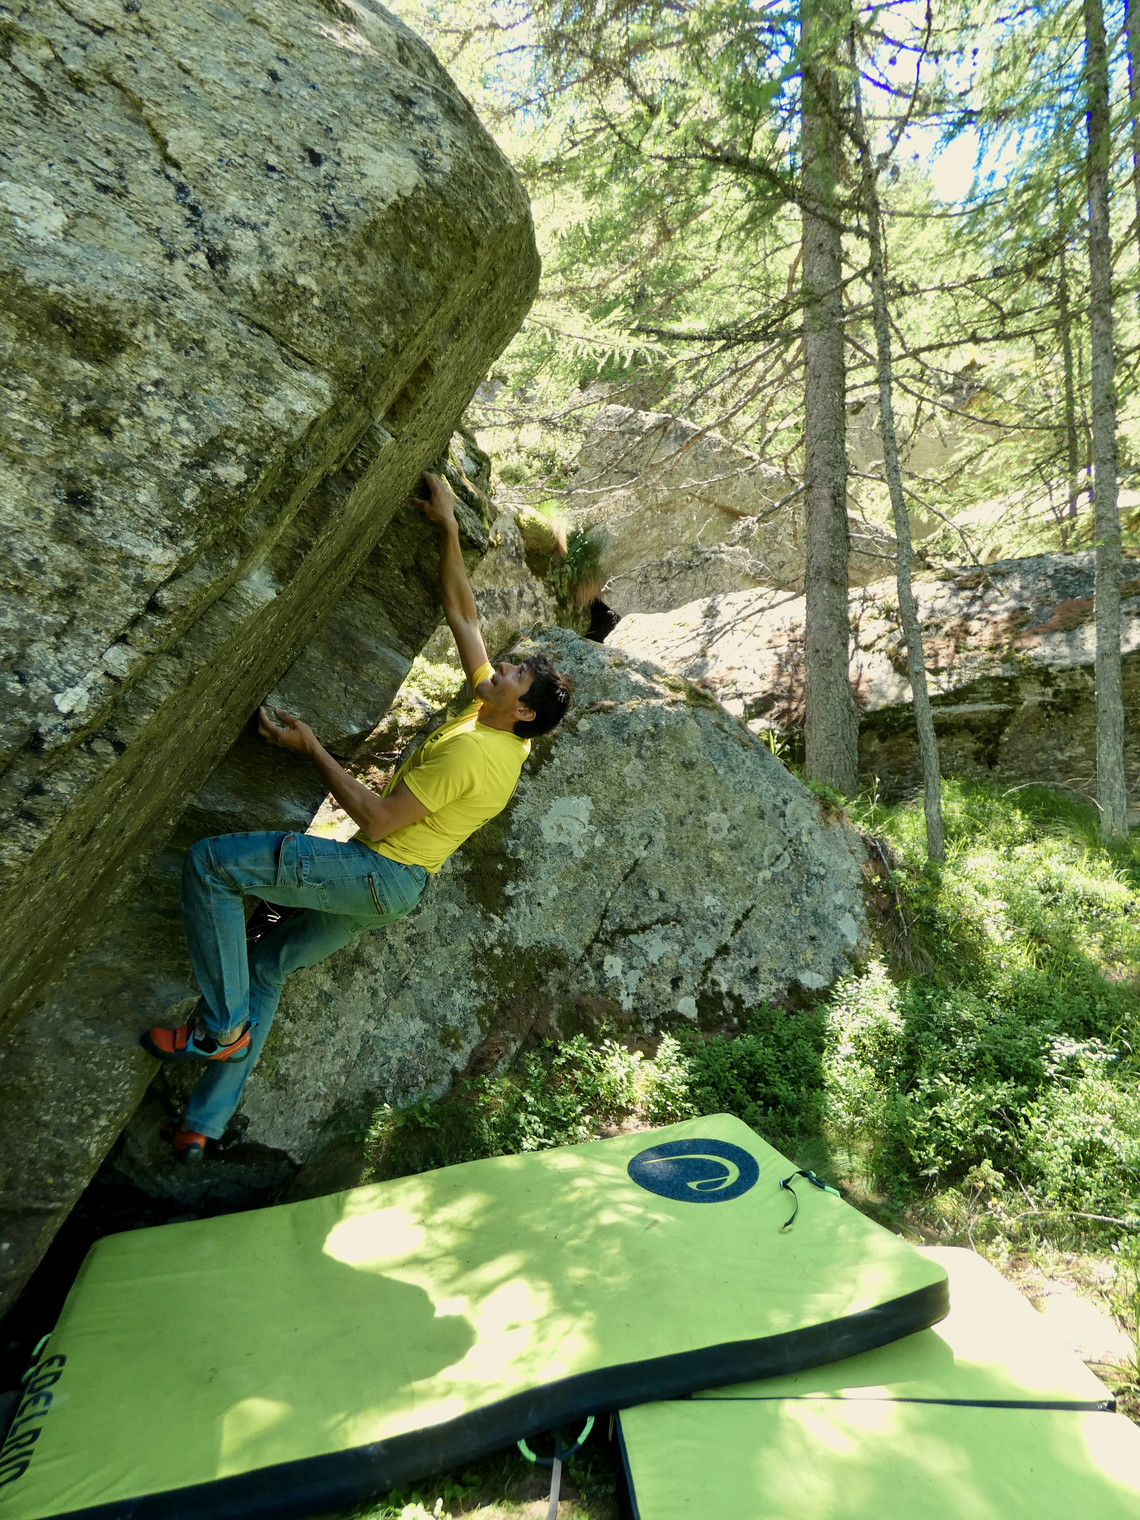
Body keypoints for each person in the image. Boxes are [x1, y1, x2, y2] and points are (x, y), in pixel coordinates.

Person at [140, 472, 571, 1161]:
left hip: (374, 870)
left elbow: (376, 820)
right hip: (394, 889)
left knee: (212, 864)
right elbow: (463, 616)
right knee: (267, 966)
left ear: (522, 709)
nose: (501, 670)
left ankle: (220, 1029)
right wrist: (448, 527)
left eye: (515, 676)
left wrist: (311, 747)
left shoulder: (477, 755)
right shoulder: (494, 722)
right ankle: (204, 1124)